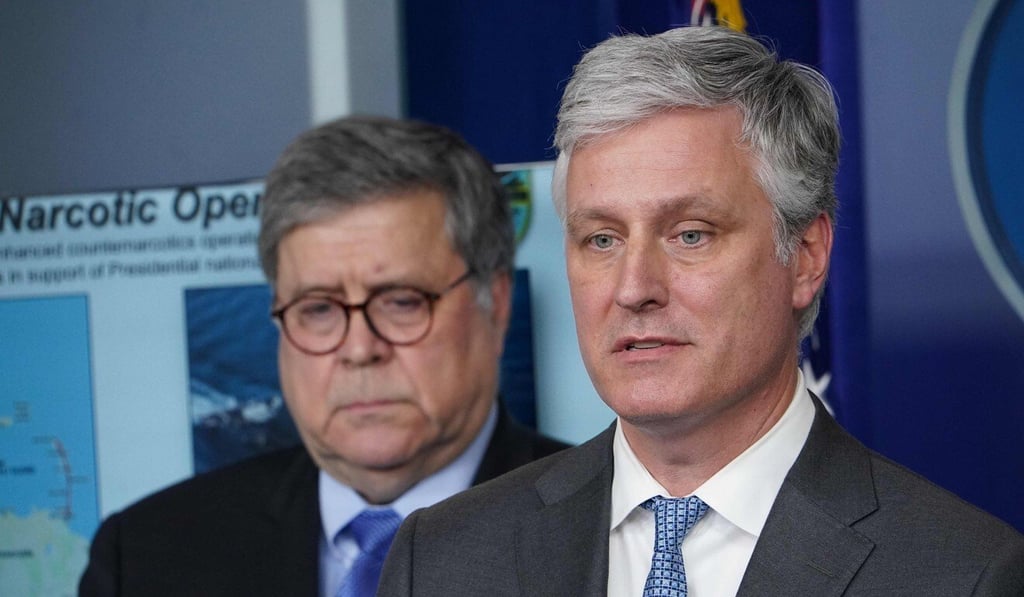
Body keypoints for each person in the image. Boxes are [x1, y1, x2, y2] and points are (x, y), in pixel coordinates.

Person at [378, 26, 1024, 596]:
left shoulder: (961, 574)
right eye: (602, 239)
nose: (634, 287)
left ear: (804, 255)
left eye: (690, 233)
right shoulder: (441, 558)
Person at [78, 116, 569, 597]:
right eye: (317, 309)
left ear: (496, 305)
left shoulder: (607, 531)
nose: (359, 350)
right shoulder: (146, 558)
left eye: (401, 302)